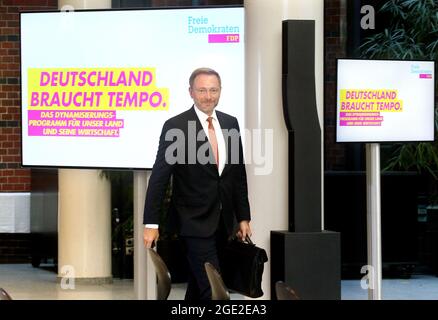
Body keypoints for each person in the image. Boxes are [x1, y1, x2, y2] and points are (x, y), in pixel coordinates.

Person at [143, 67, 252, 300]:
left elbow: (238, 175)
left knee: (198, 287)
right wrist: (151, 223)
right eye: (202, 90)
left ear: (220, 91)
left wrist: (243, 216)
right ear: (190, 92)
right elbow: (159, 178)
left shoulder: (230, 123)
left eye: (213, 90)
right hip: (192, 223)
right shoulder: (176, 126)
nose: (208, 96)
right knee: (214, 291)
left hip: (224, 224)